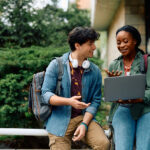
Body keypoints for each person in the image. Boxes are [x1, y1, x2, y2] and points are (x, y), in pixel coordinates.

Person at [41, 27, 110, 150]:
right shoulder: (56, 65)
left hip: (84, 118)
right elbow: (46, 95)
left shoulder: (95, 71)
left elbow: (95, 101)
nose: (94, 47)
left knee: (103, 144)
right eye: (90, 44)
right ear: (77, 45)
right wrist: (68, 101)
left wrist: (84, 124)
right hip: (59, 120)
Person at [105, 25, 150, 150]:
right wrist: (113, 85)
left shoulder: (147, 61)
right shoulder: (114, 64)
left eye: (126, 41)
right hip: (122, 110)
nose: (121, 45)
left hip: (145, 110)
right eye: (118, 42)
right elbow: (110, 94)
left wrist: (139, 98)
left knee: (144, 148)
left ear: (135, 41)